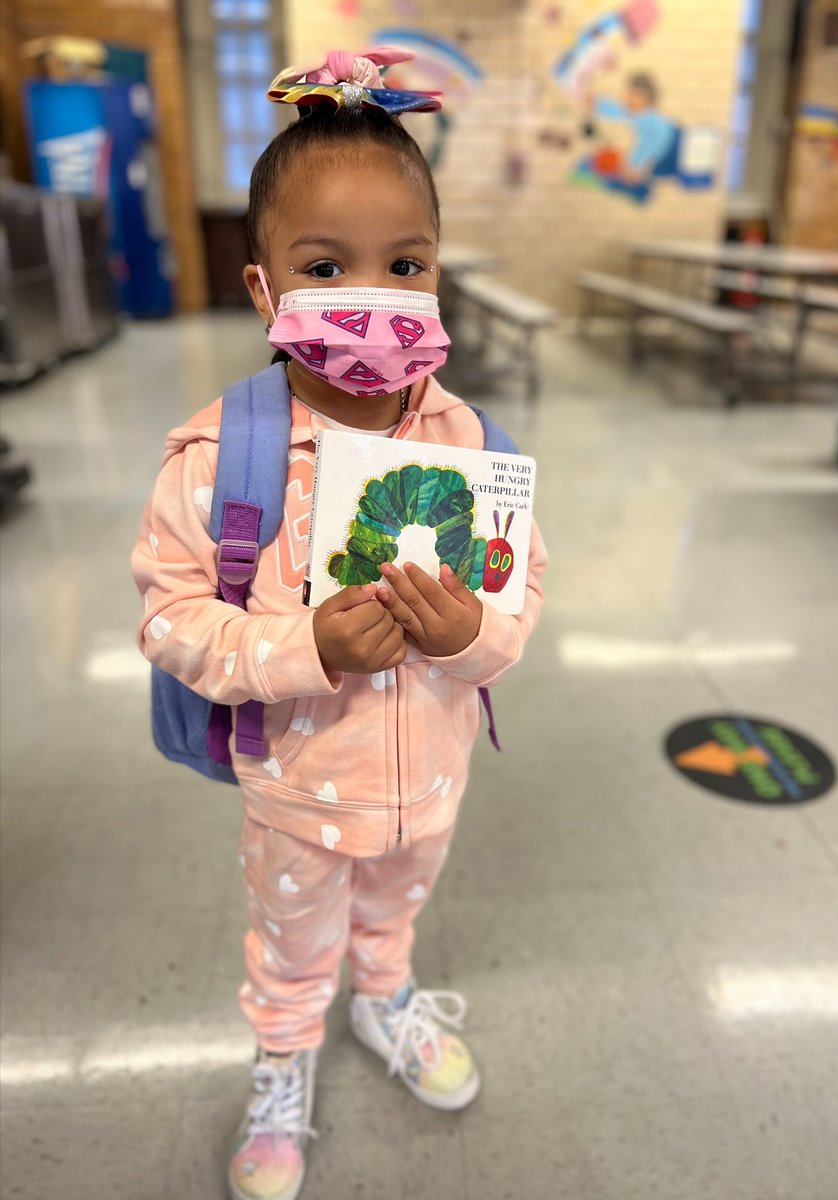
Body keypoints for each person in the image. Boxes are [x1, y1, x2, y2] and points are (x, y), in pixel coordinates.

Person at [131, 48, 546, 1200]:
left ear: (437, 271)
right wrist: (302, 648)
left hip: (431, 782)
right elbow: (170, 620)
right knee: (292, 939)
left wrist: (467, 636)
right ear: (265, 289)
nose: (375, 291)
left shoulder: (475, 446)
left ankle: (387, 999)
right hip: (296, 793)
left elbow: (520, 605)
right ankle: (283, 1056)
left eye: (405, 263)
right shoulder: (221, 455)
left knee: (393, 913)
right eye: (326, 266)